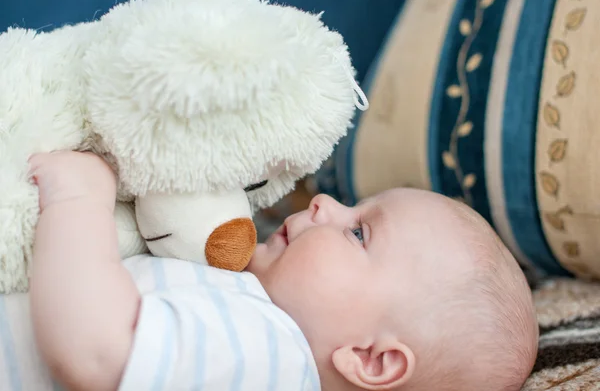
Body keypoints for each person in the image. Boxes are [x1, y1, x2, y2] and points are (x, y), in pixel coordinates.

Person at [0, 151, 538, 391]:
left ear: (371, 359)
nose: (325, 200)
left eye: (359, 233)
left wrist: (80, 200)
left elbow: (95, 353)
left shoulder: (273, 357)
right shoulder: (245, 306)